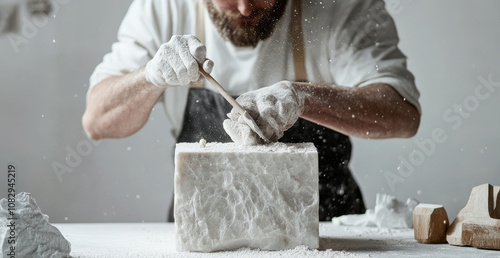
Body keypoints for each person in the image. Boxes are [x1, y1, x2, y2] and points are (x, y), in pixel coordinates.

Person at [83, 0, 421, 222]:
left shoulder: (340, 7)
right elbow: (97, 120)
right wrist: (150, 78)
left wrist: (304, 98)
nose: (245, 8)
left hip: (326, 227)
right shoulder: (163, 7)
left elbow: (402, 115)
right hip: (203, 224)